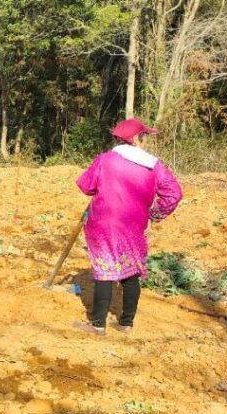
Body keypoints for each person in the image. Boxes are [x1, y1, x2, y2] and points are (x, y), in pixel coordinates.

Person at [73, 118, 183, 335]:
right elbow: (174, 194)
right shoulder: (154, 165)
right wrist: (154, 214)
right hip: (134, 226)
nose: (146, 142)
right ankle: (126, 324)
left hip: (103, 223)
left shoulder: (106, 160)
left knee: (105, 270)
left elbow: (86, 186)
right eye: (145, 137)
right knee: (131, 272)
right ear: (136, 138)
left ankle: (98, 326)